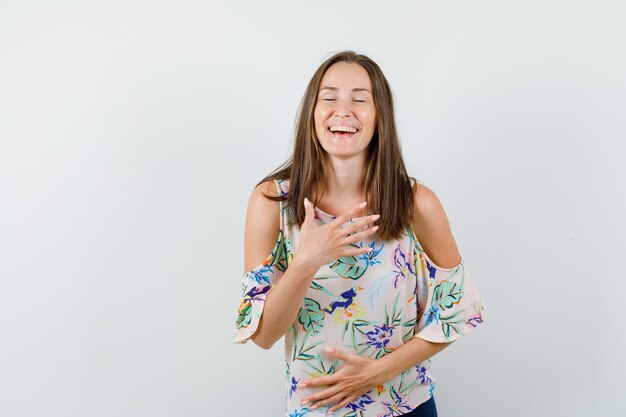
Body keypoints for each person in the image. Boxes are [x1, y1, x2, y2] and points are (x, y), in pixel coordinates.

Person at [233, 50, 486, 417]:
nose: (343, 111)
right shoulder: (272, 202)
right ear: (312, 114)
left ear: (379, 116)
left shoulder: (415, 202)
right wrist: (307, 260)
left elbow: (458, 309)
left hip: (406, 406)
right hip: (316, 410)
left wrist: (378, 372)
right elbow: (263, 335)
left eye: (360, 100)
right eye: (329, 98)